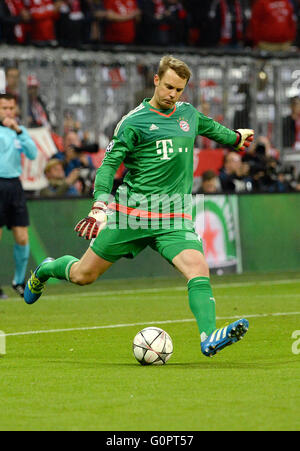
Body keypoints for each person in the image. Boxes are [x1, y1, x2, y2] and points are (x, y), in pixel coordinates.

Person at [24, 56, 253, 358]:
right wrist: (99, 205)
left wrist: (236, 138)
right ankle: (47, 268)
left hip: (174, 216)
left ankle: (208, 337)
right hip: (131, 215)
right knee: (83, 275)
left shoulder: (187, 114)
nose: (173, 94)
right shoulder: (133, 122)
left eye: (179, 90)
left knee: (198, 268)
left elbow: (212, 128)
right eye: (169, 86)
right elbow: (108, 166)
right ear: (156, 81)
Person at [0, 93, 38, 298]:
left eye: (10, 108)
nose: (7, 112)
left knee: (22, 237)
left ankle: (18, 281)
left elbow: (32, 154)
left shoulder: (18, 131)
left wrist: (19, 130)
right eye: (3, 108)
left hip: (15, 185)